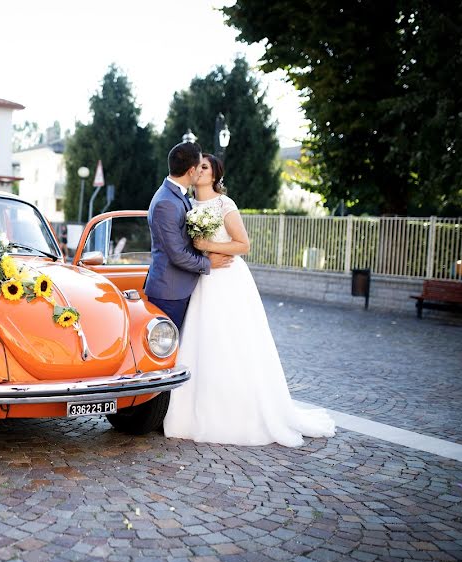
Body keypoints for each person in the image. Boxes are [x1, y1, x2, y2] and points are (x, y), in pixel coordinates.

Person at [163, 154, 336, 447]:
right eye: (197, 167)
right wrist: (201, 255)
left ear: (215, 174)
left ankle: (239, 413)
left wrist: (208, 245)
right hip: (203, 279)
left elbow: (243, 245)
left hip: (228, 279)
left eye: (204, 167)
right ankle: (192, 412)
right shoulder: (188, 206)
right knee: (204, 341)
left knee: (233, 341)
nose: (198, 170)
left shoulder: (224, 204)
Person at [144, 142, 233, 329]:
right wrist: (209, 263)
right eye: (199, 167)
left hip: (181, 288)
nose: (201, 171)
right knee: (167, 352)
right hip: (170, 292)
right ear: (191, 171)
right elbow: (176, 254)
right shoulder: (166, 202)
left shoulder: (178, 195)